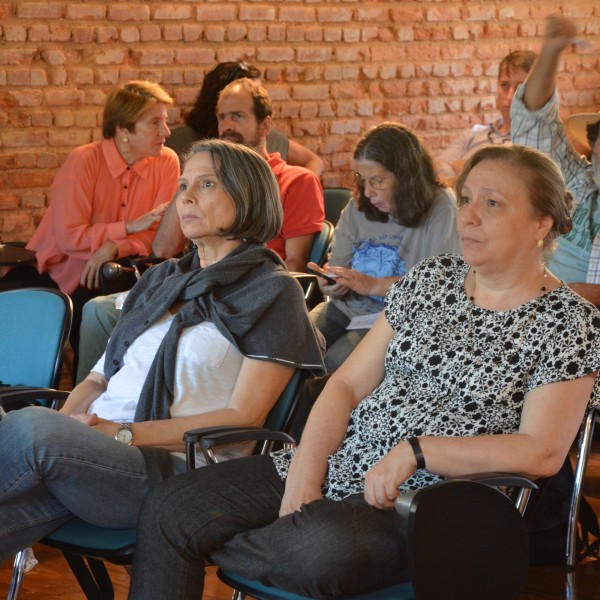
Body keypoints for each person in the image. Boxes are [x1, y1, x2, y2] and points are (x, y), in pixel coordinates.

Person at [127, 144, 600, 599]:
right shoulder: (431, 279)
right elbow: (347, 383)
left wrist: (417, 451)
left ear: (542, 222)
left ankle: (232, 542)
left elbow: (541, 452)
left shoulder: (569, 322)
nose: (469, 215)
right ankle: (253, 537)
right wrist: (305, 474)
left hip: (435, 504)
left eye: (492, 203)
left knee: (319, 551)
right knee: (172, 507)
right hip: (345, 461)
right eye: (467, 198)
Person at [0, 139, 324, 565]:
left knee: (31, 429)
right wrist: (69, 435)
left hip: (171, 468)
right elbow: (98, 379)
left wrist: (119, 433)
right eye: (184, 184)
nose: (185, 196)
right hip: (91, 456)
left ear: (247, 195)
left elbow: (244, 417)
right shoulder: (162, 280)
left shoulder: (270, 290)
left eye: (206, 184)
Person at [75, 79, 326, 384]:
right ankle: (99, 399)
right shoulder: (199, 179)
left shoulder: (295, 180)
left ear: (265, 125)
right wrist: (189, 186)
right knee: (98, 311)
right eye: (221, 117)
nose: (227, 125)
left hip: (244, 292)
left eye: (238, 116)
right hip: (193, 280)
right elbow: (164, 248)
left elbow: (296, 265)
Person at [0, 80, 180, 359]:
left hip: (117, 271)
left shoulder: (167, 162)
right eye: (154, 122)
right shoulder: (84, 160)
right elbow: (70, 236)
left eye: (164, 121)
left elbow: (159, 237)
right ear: (123, 130)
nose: (165, 131)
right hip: (57, 271)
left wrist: (114, 246)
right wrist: (128, 228)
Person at [309, 122, 460, 372]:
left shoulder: (440, 206)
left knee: (334, 364)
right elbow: (339, 265)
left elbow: (440, 285)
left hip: (397, 319)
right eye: (362, 179)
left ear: (406, 178)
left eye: (377, 181)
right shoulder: (360, 205)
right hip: (346, 308)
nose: (367, 191)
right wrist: (333, 282)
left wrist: (371, 284)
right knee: (291, 346)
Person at [511, 15, 600, 306]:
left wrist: (587, 296)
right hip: (536, 313)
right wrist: (551, 51)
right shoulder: (580, 181)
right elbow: (534, 123)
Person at [166, 61, 324, 176]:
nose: (260, 98)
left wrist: (296, 190)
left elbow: (314, 161)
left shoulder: (267, 137)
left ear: (265, 125)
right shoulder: (181, 143)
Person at [436, 49, 537, 184]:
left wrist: (462, 167)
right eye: (505, 85)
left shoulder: (538, 143)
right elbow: (436, 169)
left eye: (520, 88)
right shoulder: (474, 134)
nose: (510, 96)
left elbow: (501, 184)